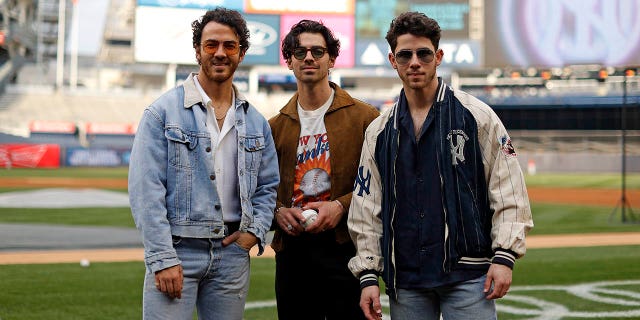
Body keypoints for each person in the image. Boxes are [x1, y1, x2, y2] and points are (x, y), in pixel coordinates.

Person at [347, 12, 534, 320]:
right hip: (407, 279)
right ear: (393, 61)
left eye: (424, 53)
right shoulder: (379, 131)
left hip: (468, 277)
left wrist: (505, 255)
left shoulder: (477, 116)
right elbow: (366, 208)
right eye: (405, 55)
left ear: (439, 56)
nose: (415, 62)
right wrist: (368, 273)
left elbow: (509, 188)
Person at [128, 7, 279, 320]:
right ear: (197, 51)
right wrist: (163, 257)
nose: (220, 53)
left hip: (233, 254)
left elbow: (268, 186)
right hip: (178, 250)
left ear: (242, 53)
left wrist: (253, 233)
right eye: (211, 45)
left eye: (229, 46)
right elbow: (146, 191)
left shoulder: (255, 122)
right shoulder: (162, 113)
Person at [268, 19, 380, 320]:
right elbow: (259, 190)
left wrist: (341, 207)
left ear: (331, 59)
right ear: (289, 60)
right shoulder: (274, 127)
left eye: (317, 51)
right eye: (299, 51)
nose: (308, 58)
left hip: (346, 246)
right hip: (292, 252)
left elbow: (383, 185)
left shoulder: (365, 118)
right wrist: (278, 211)